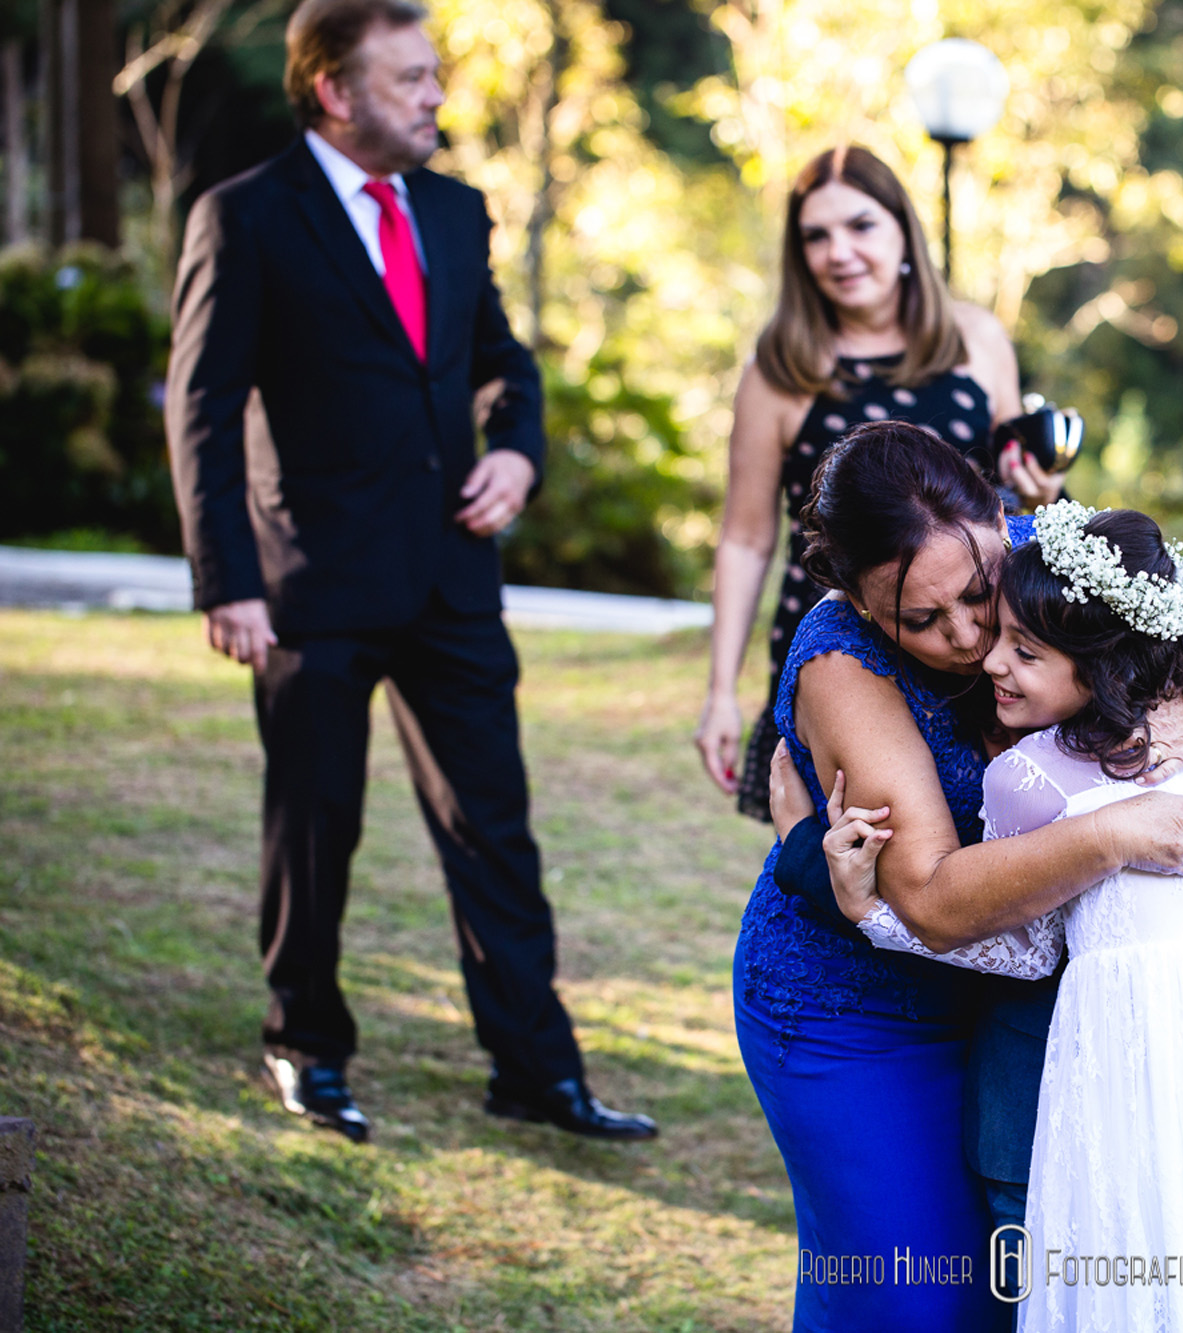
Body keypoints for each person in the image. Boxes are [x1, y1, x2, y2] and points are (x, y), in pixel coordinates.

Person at [164, 0, 653, 1143]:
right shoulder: (243, 217)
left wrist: (519, 453)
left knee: (497, 831)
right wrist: (223, 578)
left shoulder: (454, 210)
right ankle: (305, 1046)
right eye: (411, 78)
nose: (437, 96)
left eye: (434, 75)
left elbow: (499, 362)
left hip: (451, 580)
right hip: (306, 587)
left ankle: (536, 1071)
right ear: (333, 90)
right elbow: (199, 406)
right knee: (314, 825)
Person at [739, 422, 1183, 1331]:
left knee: (1000, 1298)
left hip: (1016, 1008)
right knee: (910, 1298)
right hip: (856, 1013)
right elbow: (937, 901)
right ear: (864, 608)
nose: (969, 635)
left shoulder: (1054, 559)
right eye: (920, 619)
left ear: (999, 517)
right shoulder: (842, 664)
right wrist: (1114, 830)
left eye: (980, 592)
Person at [816, 503, 1183, 1331]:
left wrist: (872, 915)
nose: (989, 658)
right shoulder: (1079, 762)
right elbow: (1026, 943)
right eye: (1000, 634)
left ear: (1104, 663)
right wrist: (874, 910)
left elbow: (1028, 954)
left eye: (1025, 651)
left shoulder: (1149, 740)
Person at [696, 144, 1069, 823]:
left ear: (902, 229)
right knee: (865, 850)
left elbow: (1012, 500)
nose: (839, 251)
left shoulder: (976, 338)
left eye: (860, 225)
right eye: (816, 235)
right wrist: (721, 689)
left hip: (978, 630)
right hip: (852, 643)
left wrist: (1042, 488)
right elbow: (747, 538)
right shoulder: (780, 367)